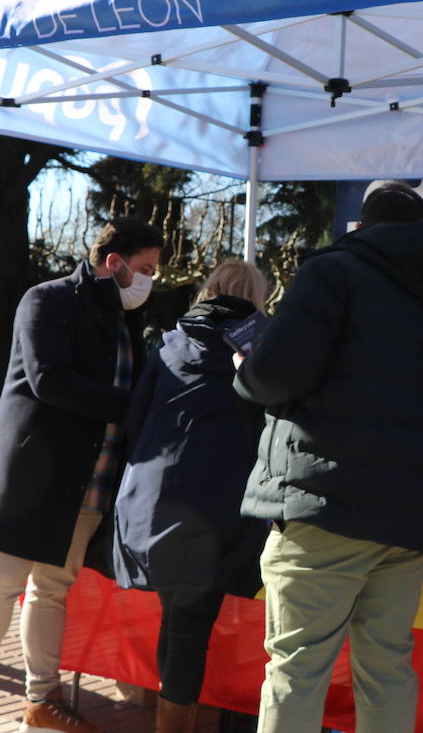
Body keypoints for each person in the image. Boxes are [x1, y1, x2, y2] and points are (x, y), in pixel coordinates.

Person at [233, 180, 423, 733]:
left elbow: (276, 374)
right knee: (387, 669)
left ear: (363, 226)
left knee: (297, 669)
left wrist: (245, 373)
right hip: (413, 525)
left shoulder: (333, 274)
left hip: (324, 509)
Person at [0, 217, 163, 733]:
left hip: (92, 479)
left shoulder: (125, 319)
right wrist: (138, 406)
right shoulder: (46, 299)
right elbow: (50, 380)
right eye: (145, 269)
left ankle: (41, 702)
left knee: (52, 590)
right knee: (1, 583)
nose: (150, 281)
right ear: (113, 263)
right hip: (34, 472)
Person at [112, 259, 271, 733]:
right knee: (189, 631)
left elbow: (135, 422)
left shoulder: (169, 344)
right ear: (256, 298)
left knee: (177, 623)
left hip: (155, 499)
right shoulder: (262, 350)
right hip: (218, 506)